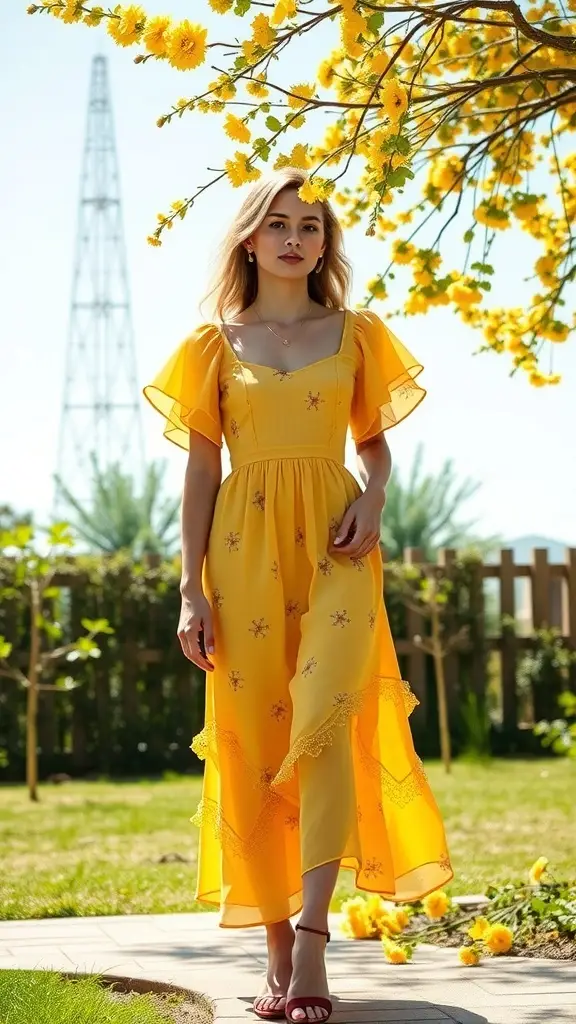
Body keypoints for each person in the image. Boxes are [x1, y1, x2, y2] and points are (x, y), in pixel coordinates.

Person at [143, 167, 453, 1024]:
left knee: (324, 716)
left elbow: (376, 448)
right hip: (241, 556)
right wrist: (189, 591)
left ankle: (312, 940)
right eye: (277, 223)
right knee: (256, 736)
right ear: (249, 239)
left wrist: (375, 494)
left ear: (326, 243)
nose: (293, 238)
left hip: (338, 545)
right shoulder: (214, 345)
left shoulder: (354, 332)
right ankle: (276, 946)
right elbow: (202, 473)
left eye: (310, 226)